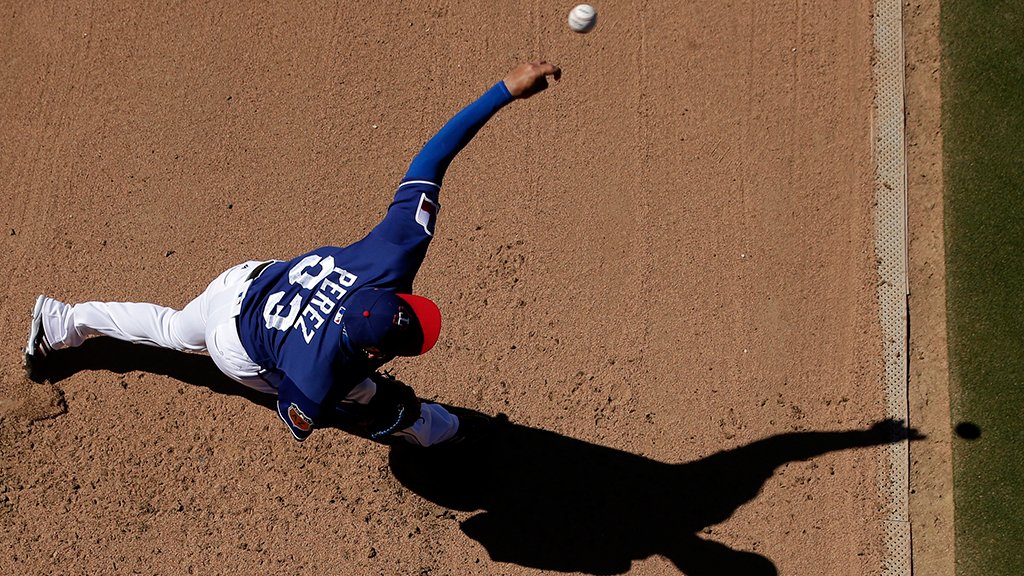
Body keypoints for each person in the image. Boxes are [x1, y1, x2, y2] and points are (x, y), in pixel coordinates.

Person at [23, 60, 561, 447]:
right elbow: (296, 416)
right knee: (369, 401)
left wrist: (505, 90)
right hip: (237, 343)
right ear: (373, 350)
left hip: (240, 283)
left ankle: (64, 321)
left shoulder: (393, 251)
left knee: (169, 330)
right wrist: (358, 405)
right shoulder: (321, 368)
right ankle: (430, 427)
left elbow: (431, 159)